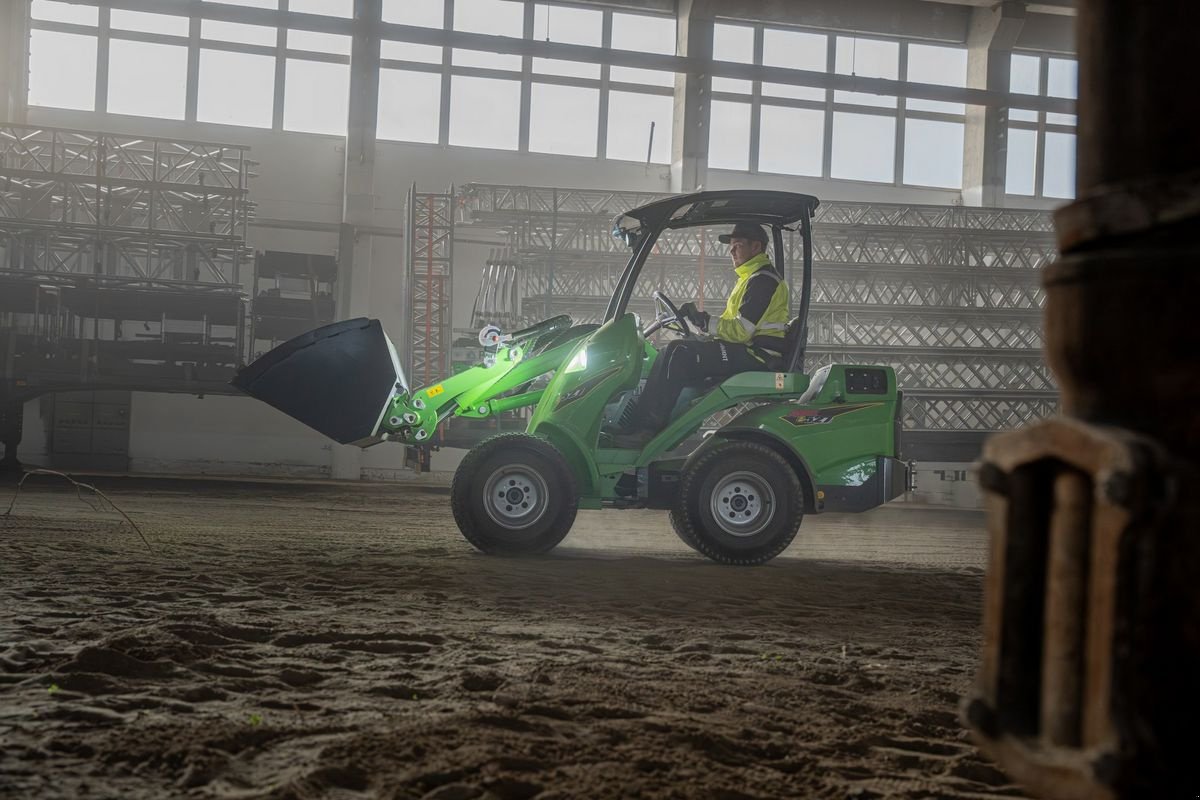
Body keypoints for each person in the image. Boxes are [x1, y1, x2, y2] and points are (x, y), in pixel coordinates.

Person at [611, 222, 791, 447]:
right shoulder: (750, 279)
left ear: (756, 247)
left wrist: (705, 322)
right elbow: (731, 326)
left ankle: (646, 430)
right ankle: (646, 426)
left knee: (678, 352)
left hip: (757, 355)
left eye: (737, 245)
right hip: (747, 349)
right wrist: (702, 326)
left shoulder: (763, 281)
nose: (731, 251)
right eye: (731, 246)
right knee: (674, 350)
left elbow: (742, 330)